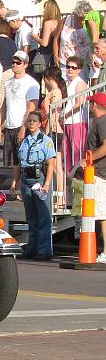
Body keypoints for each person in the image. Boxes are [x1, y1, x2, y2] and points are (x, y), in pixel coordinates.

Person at [10, 110, 56, 260]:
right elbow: (17, 163)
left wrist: (47, 183)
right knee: (31, 216)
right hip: (26, 179)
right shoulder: (24, 141)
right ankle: (33, 247)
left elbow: (51, 163)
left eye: (34, 121)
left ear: (40, 123)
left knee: (43, 215)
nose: (31, 124)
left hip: (39, 179)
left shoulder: (45, 141)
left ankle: (44, 250)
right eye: (29, 121)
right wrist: (14, 182)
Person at [0, 51, 40, 168]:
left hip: (22, 125)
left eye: (18, 62)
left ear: (25, 65)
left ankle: (17, 183)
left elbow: (31, 108)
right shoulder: (8, 82)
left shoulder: (31, 83)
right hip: (9, 125)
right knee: (13, 161)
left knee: (23, 159)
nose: (14, 65)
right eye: (13, 62)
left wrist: (23, 128)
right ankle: (15, 183)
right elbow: (4, 106)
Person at [84, 93, 106, 263]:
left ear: (94, 105)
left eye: (91, 103)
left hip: (100, 173)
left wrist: (89, 159)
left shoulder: (101, 122)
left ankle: (105, 252)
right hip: (99, 173)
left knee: (102, 215)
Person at [41, 66, 67, 209]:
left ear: (49, 78)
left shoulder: (55, 92)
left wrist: (47, 132)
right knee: (54, 166)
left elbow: (54, 114)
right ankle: (58, 197)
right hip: (52, 130)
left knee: (56, 167)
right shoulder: (53, 92)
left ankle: (61, 198)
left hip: (54, 130)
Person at [63, 55, 89, 174]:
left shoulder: (80, 83)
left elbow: (79, 103)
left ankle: (78, 178)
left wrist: (66, 115)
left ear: (79, 70)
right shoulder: (68, 83)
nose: (70, 69)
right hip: (67, 122)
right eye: (68, 67)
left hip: (77, 121)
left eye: (73, 67)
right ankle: (70, 178)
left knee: (77, 152)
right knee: (67, 152)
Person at [57, 4, 93, 80]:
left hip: (82, 63)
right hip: (65, 61)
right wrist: (55, 56)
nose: (82, 18)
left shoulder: (89, 22)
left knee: (80, 87)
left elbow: (95, 38)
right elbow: (56, 38)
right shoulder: (66, 20)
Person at [30, 0, 61, 70]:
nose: (43, 12)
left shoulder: (48, 23)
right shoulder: (59, 22)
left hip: (45, 54)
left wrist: (35, 37)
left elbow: (44, 43)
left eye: (44, 9)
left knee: (36, 74)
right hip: (56, 53)